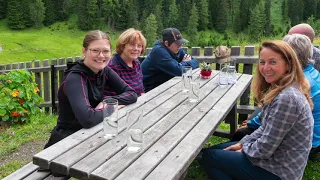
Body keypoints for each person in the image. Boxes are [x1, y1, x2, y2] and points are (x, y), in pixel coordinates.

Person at [199, 40, 314, 180]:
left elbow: (265, 147)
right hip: (275, 157)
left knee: (209, 157)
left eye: (272, 62)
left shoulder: (288, 97)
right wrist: (241, 143)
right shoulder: (282, 87)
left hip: (280, 169)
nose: (265, 68)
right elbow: (264, 128)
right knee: (213, 151)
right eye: (262, 62)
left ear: (288, 64)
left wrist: (243, 150)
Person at [45, 30, 138, 149]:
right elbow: (87, 119)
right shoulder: (75, 78)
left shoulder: (104, 71)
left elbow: (132, 94)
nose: (101, 56)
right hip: (66, 142)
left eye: (106, 51)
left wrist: (108, 101)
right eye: (95, 50)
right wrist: (112, 107)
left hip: (92, 135)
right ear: (84, 51)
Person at [232, 34, 320, 158]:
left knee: (240, 133)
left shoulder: (297, 84)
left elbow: (276, 115)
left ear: (289, 57)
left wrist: (252, 124)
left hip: (300, 145)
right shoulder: (312, 73)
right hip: (313, 138)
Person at [141, 27, 199, 92]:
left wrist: (182, 65)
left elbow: (196, 62)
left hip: (163, 85)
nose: (180, 46)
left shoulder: (177, 50)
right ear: (166, 43)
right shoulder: (158, 51)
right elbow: (179, 71)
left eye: (181, 43)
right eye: (177, 43)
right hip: (147, 89)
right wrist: (183, 64)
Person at [107, 28, 146, 96]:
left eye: (139, 46)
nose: (136, 48)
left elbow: (141, 89)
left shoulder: (136, 63)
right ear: (122, 46)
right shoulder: (113, 66)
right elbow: (111, 97)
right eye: (132, 44)